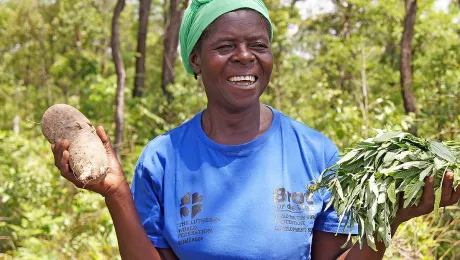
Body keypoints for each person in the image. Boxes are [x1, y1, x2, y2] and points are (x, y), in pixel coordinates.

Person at [51, 0, 460, 259]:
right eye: (225, 46)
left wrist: (387, 220)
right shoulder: (163, 157)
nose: (245, 57)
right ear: (195, 60)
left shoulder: (316, 153)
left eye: (259, 45)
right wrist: (116, 195)